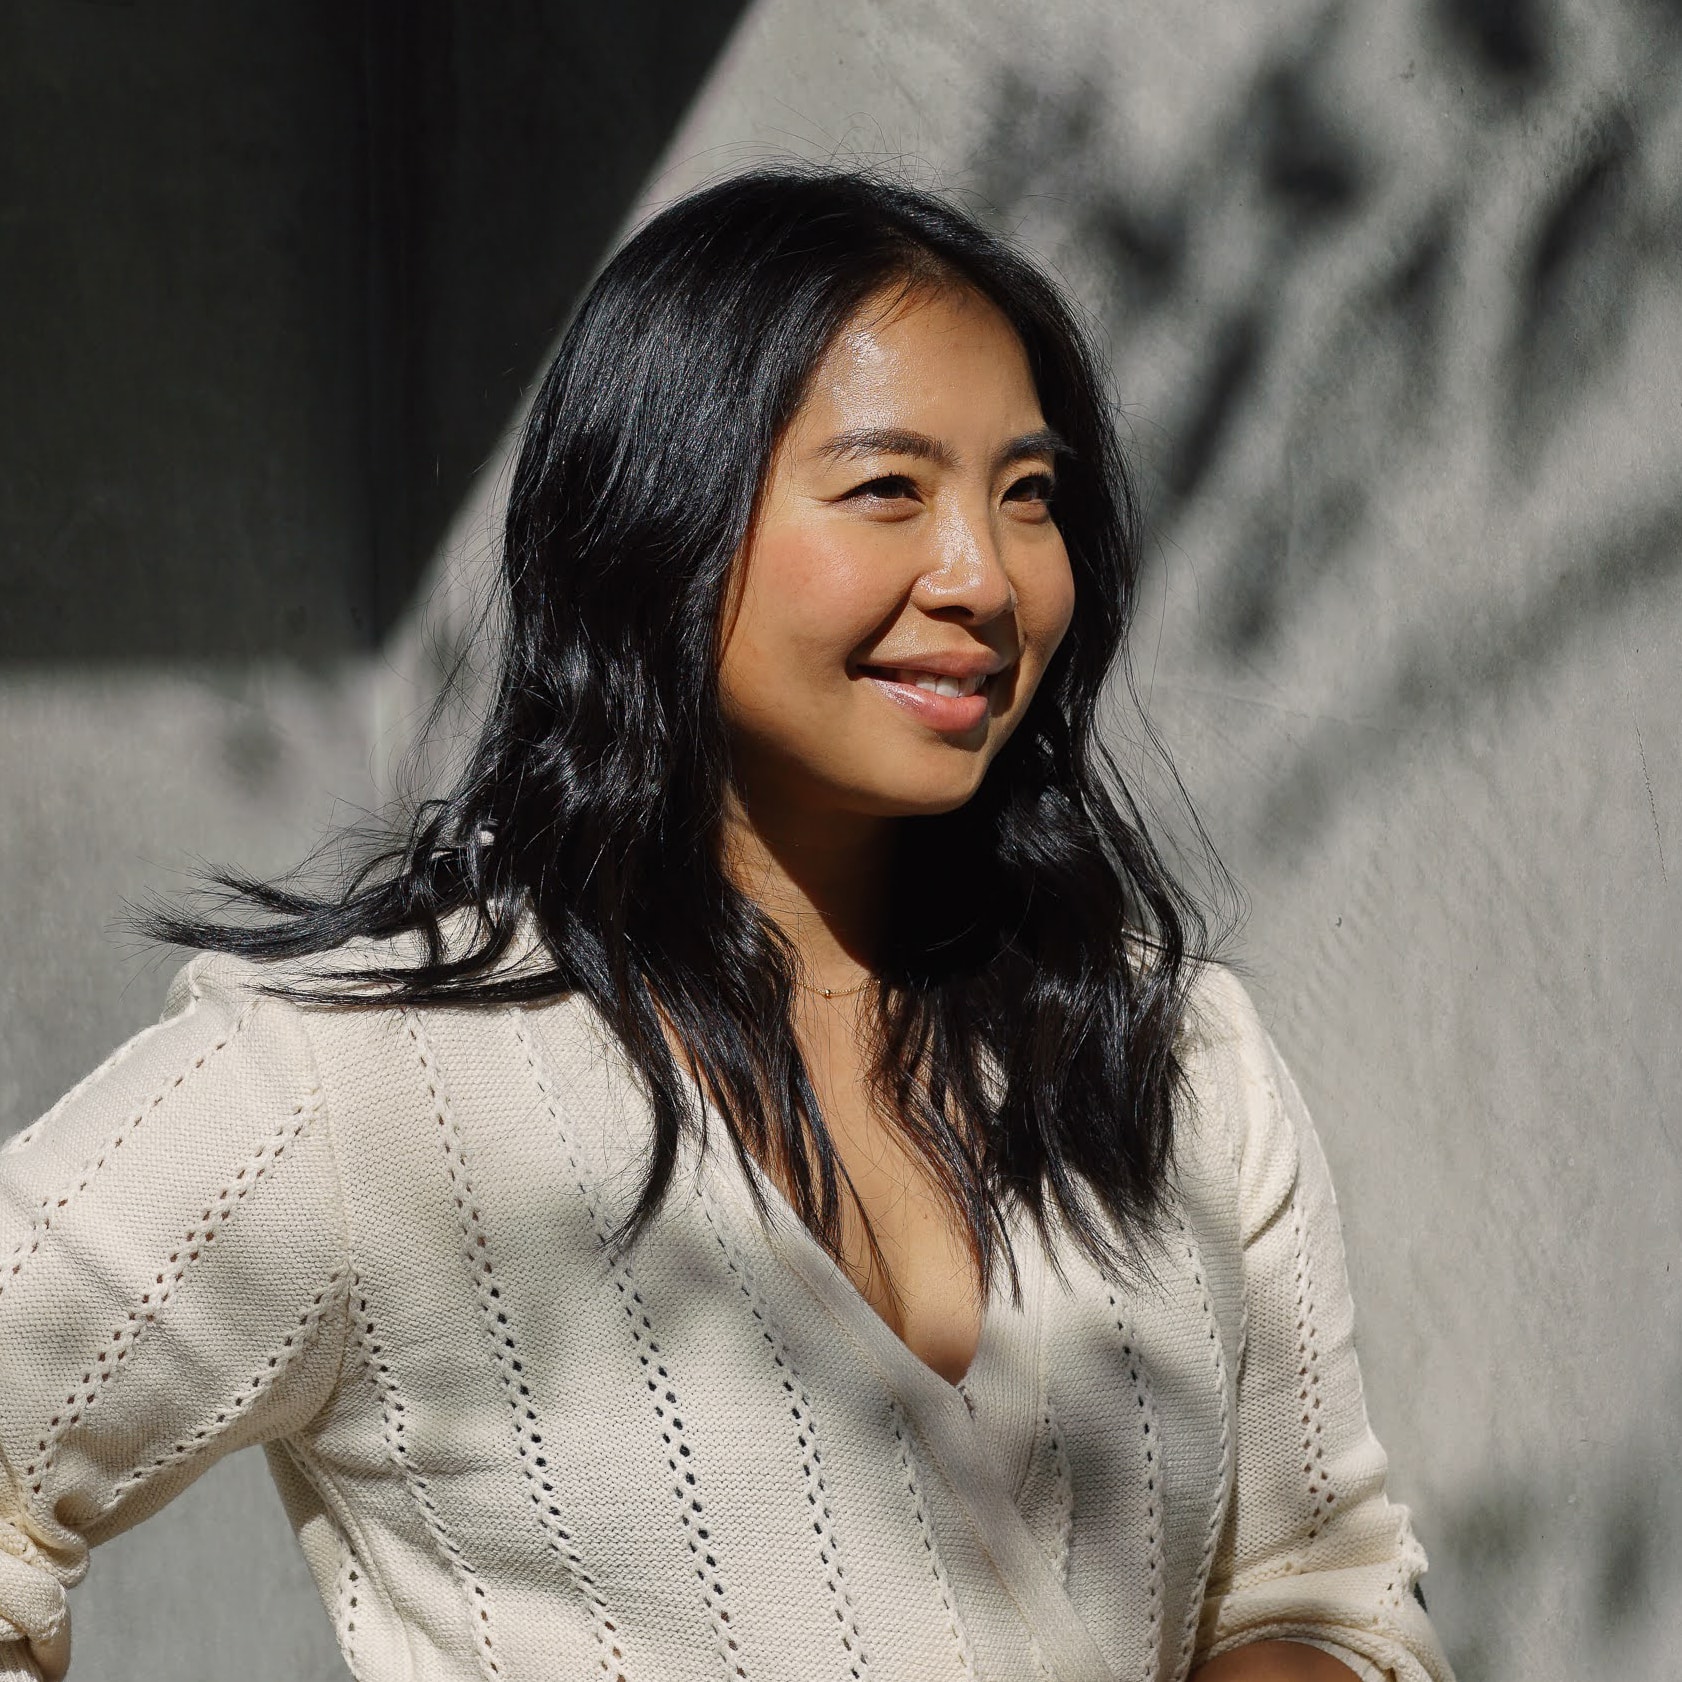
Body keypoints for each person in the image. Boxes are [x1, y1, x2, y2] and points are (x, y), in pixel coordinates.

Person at [0, 169, 1453, 1682]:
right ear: (661, 520)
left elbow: (1319, 1581)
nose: (986, 577)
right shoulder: (365, 1085)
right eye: (888, 488)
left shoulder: (1174, 1053)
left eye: (1027, 494)